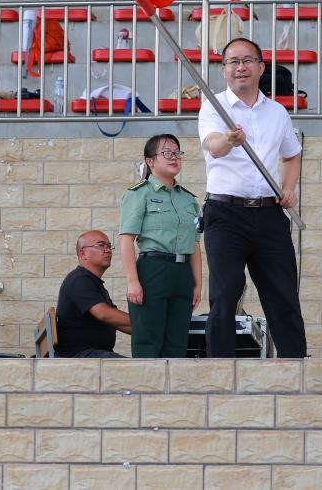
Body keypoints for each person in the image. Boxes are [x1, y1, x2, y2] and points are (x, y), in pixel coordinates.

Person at [197, 36, 306, 358]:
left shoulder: (277, 112)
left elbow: (292, 154)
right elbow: (213, 146)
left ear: (260, 67)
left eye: (247, 60)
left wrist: (289, 188)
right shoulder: (214, 105)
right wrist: (230, 140)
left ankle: (296, 366)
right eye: (233, 62)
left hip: (269, 214)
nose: (240, 67)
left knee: (283, 295)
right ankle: (221, 368)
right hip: (225, 213)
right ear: (224, 70)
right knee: (225, 293)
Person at [118, 134, 202, 358]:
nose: (174, 157)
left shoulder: (189, 200)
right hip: (152, 269)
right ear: (150, 161)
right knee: (148, 340)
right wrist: (132, 281)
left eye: (177, 153)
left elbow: (194, 244)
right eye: (166, 153)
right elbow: (126, 240)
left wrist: (198, 284)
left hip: (182, 272)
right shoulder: (139, 194)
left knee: (177, 342)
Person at [55, 230, 131, 357]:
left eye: (109, 246)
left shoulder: (94, 283)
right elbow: (104, 314)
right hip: (78, 356)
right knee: (137, 367)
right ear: (83, 253)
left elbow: (116, 322)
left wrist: (151, 330)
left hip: (93, 355)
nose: (108, 250)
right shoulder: (79, 279)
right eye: (101, 245)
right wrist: (145, 322)